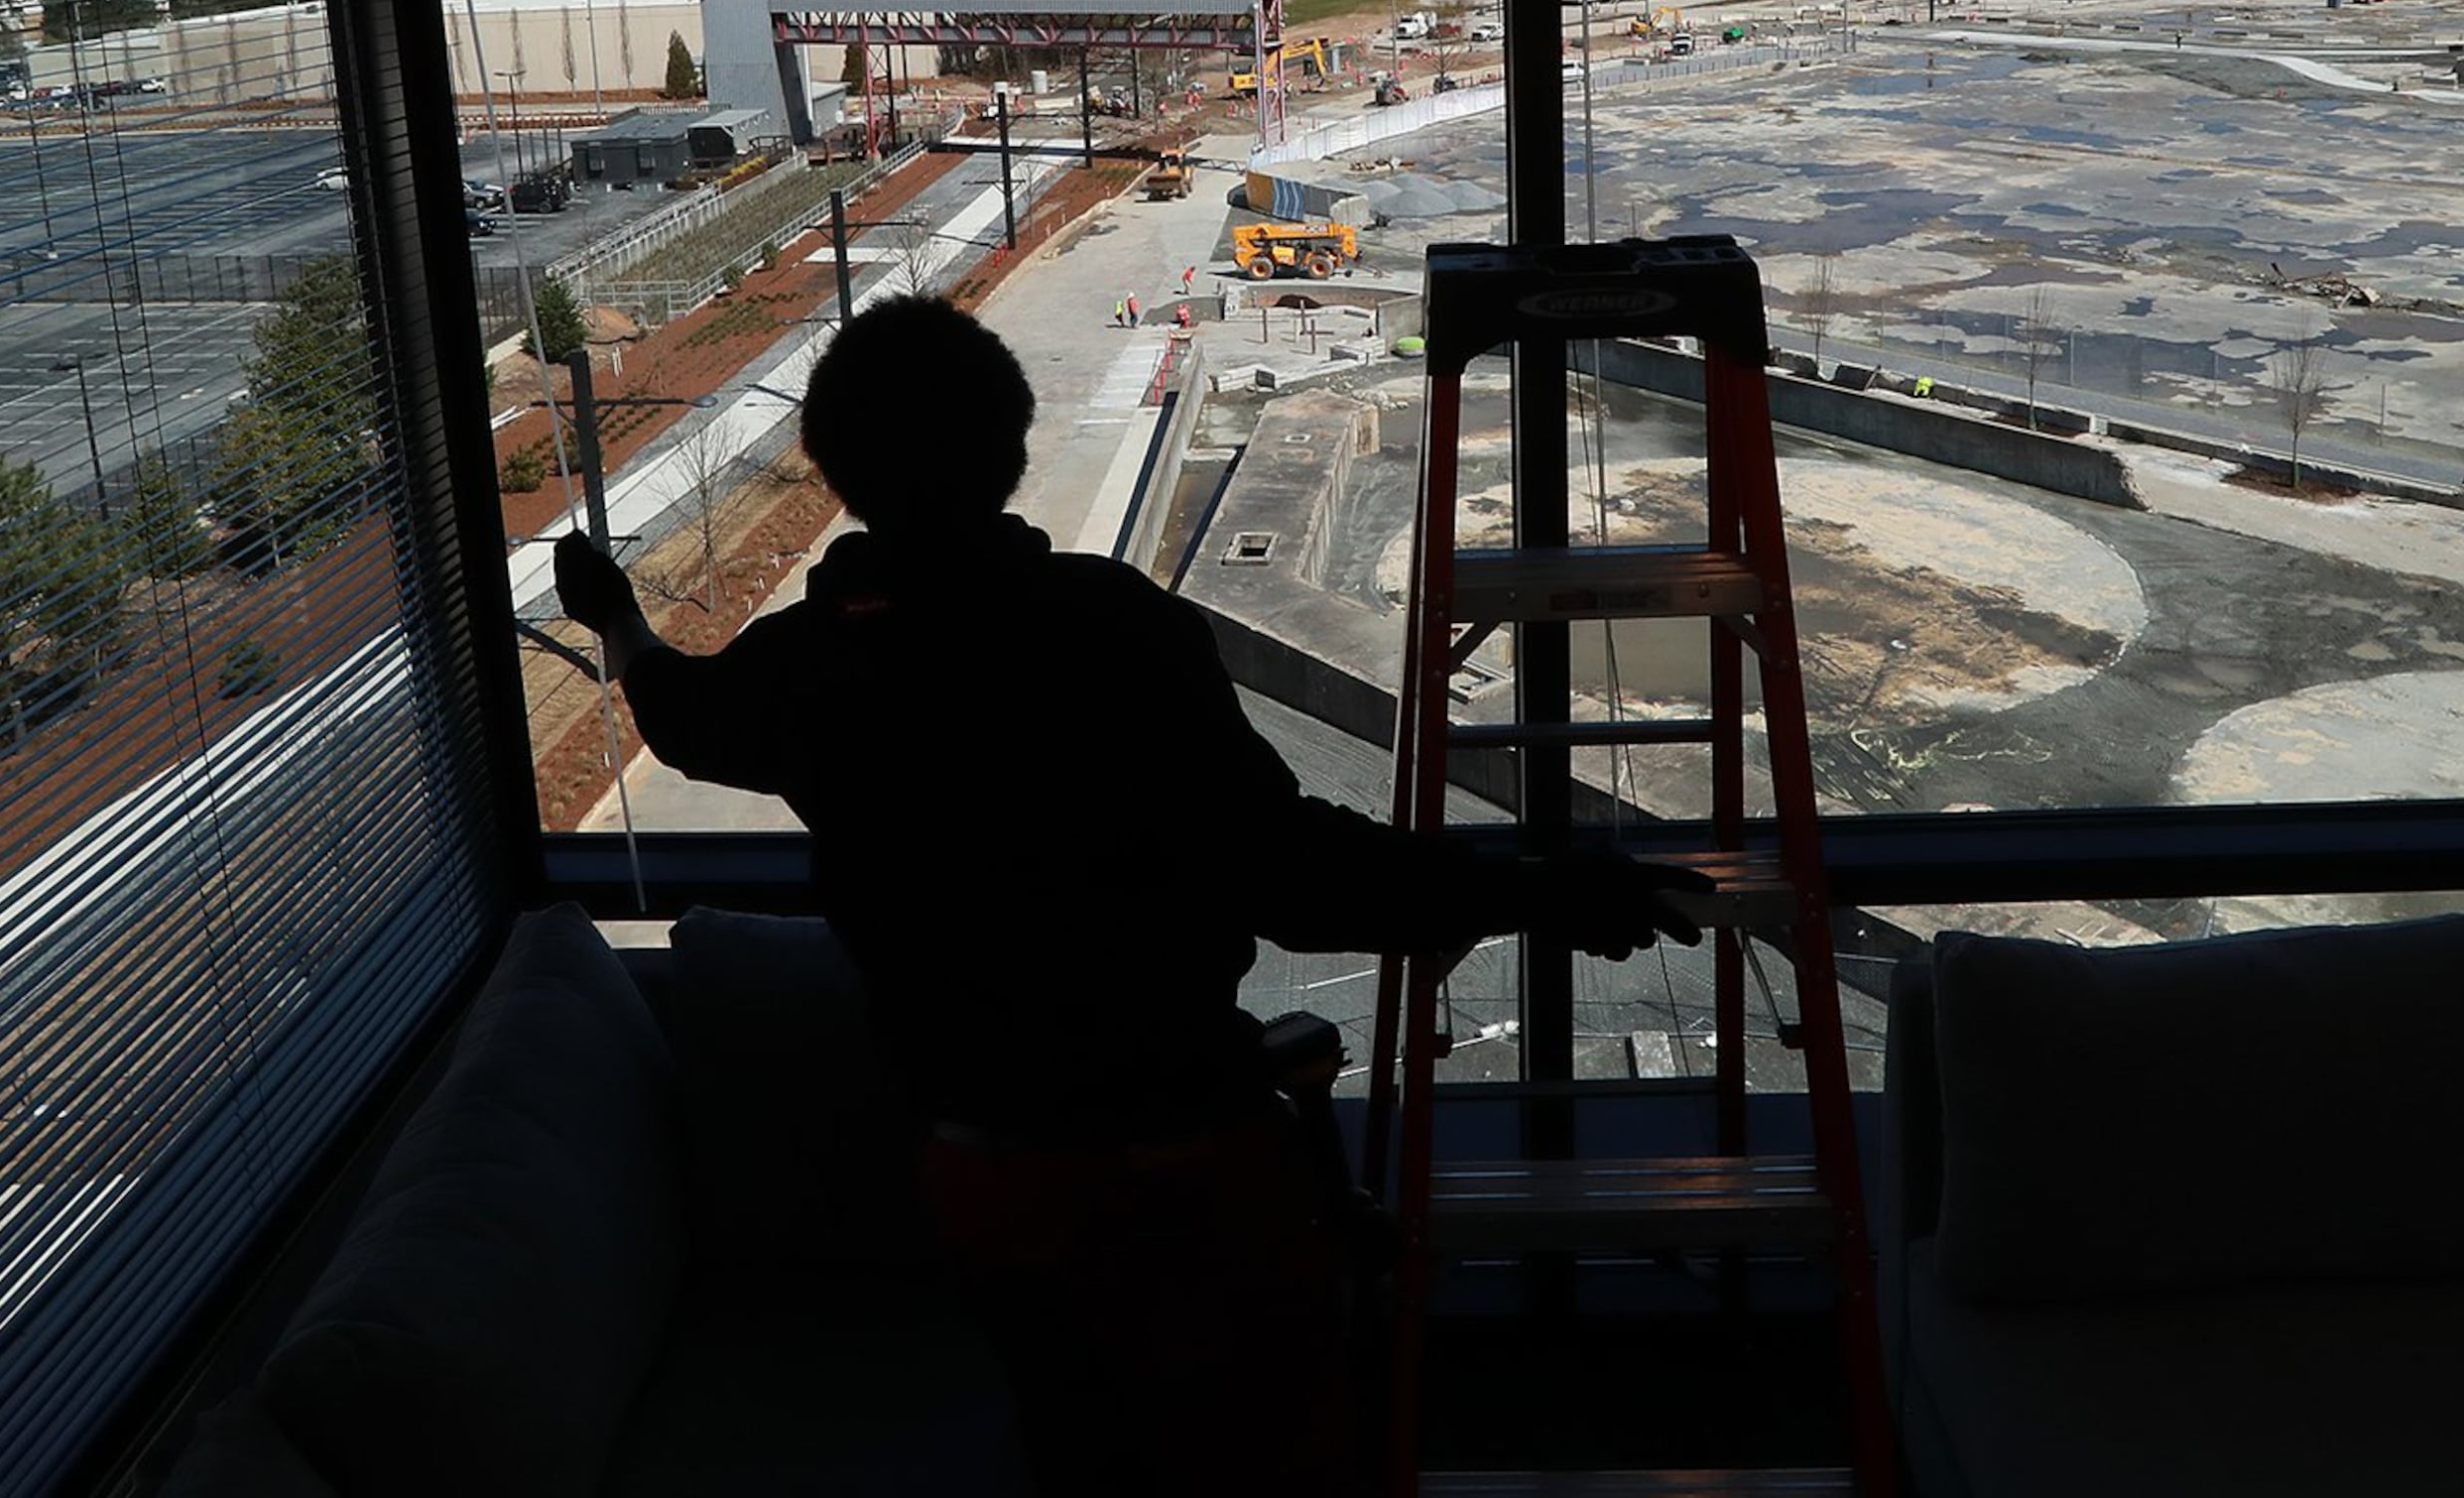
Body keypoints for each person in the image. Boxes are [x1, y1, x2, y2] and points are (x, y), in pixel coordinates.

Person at [551, 298, 1707, 1495]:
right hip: (1196, 1161)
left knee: (1076, 1445)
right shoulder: (1115, 629)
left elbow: (680, 719)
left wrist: (618, 618)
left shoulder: (803, 672)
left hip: (989, 1182)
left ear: (836, 474)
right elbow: (1293, 872)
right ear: (1010, 452)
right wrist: (1537, 886)